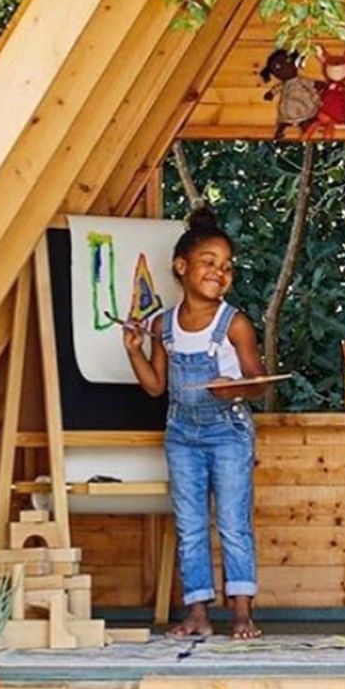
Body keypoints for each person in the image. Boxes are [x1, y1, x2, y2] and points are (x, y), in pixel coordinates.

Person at [121, 205, 266, 640]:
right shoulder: (163, 324)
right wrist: (133, 350)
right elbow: (155, 387)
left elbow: (259, 383)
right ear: (181, 267)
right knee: (190, 526)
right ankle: (197, 613)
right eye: (209, 262)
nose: (219, 272)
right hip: (182, 435)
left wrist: (234, 388)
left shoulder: (234, 324)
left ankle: (242, 614)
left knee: (233, 523)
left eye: (227, 267)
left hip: (228, 433)